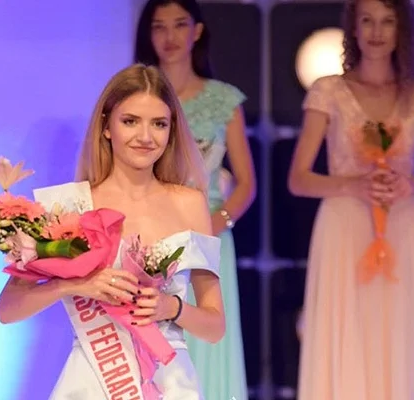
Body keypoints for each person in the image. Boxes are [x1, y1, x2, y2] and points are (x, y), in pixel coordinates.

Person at [0, 64, 225, 399]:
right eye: (130, 121)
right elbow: (7, 309)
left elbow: (215, 327)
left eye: (159, 124)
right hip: (91, 381)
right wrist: (75, 285)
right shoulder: (69, 207)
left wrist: (171, 308)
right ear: (106, 126)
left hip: (171, 381)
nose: (145, 137)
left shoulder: (191, 204)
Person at [288, 0, 414, 399]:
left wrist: (412, 185)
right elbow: (298, 179)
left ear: (401, 29)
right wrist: (352, 185)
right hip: (343, 227)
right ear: (353, 28)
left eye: (387, 22)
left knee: (395, 334)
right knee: (344, 331)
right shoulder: (328, 90)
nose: (376, 31)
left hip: (401, 227)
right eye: (367, 21)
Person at [133, 1, 256, 398]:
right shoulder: (137, 96)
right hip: (151, 237)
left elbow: (246, 183)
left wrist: (210, 228)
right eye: (159, 27)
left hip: (209, 237)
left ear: (197, 31)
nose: (170, 37)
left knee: (207, 331)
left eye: (180, 25)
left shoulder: (224, 100)